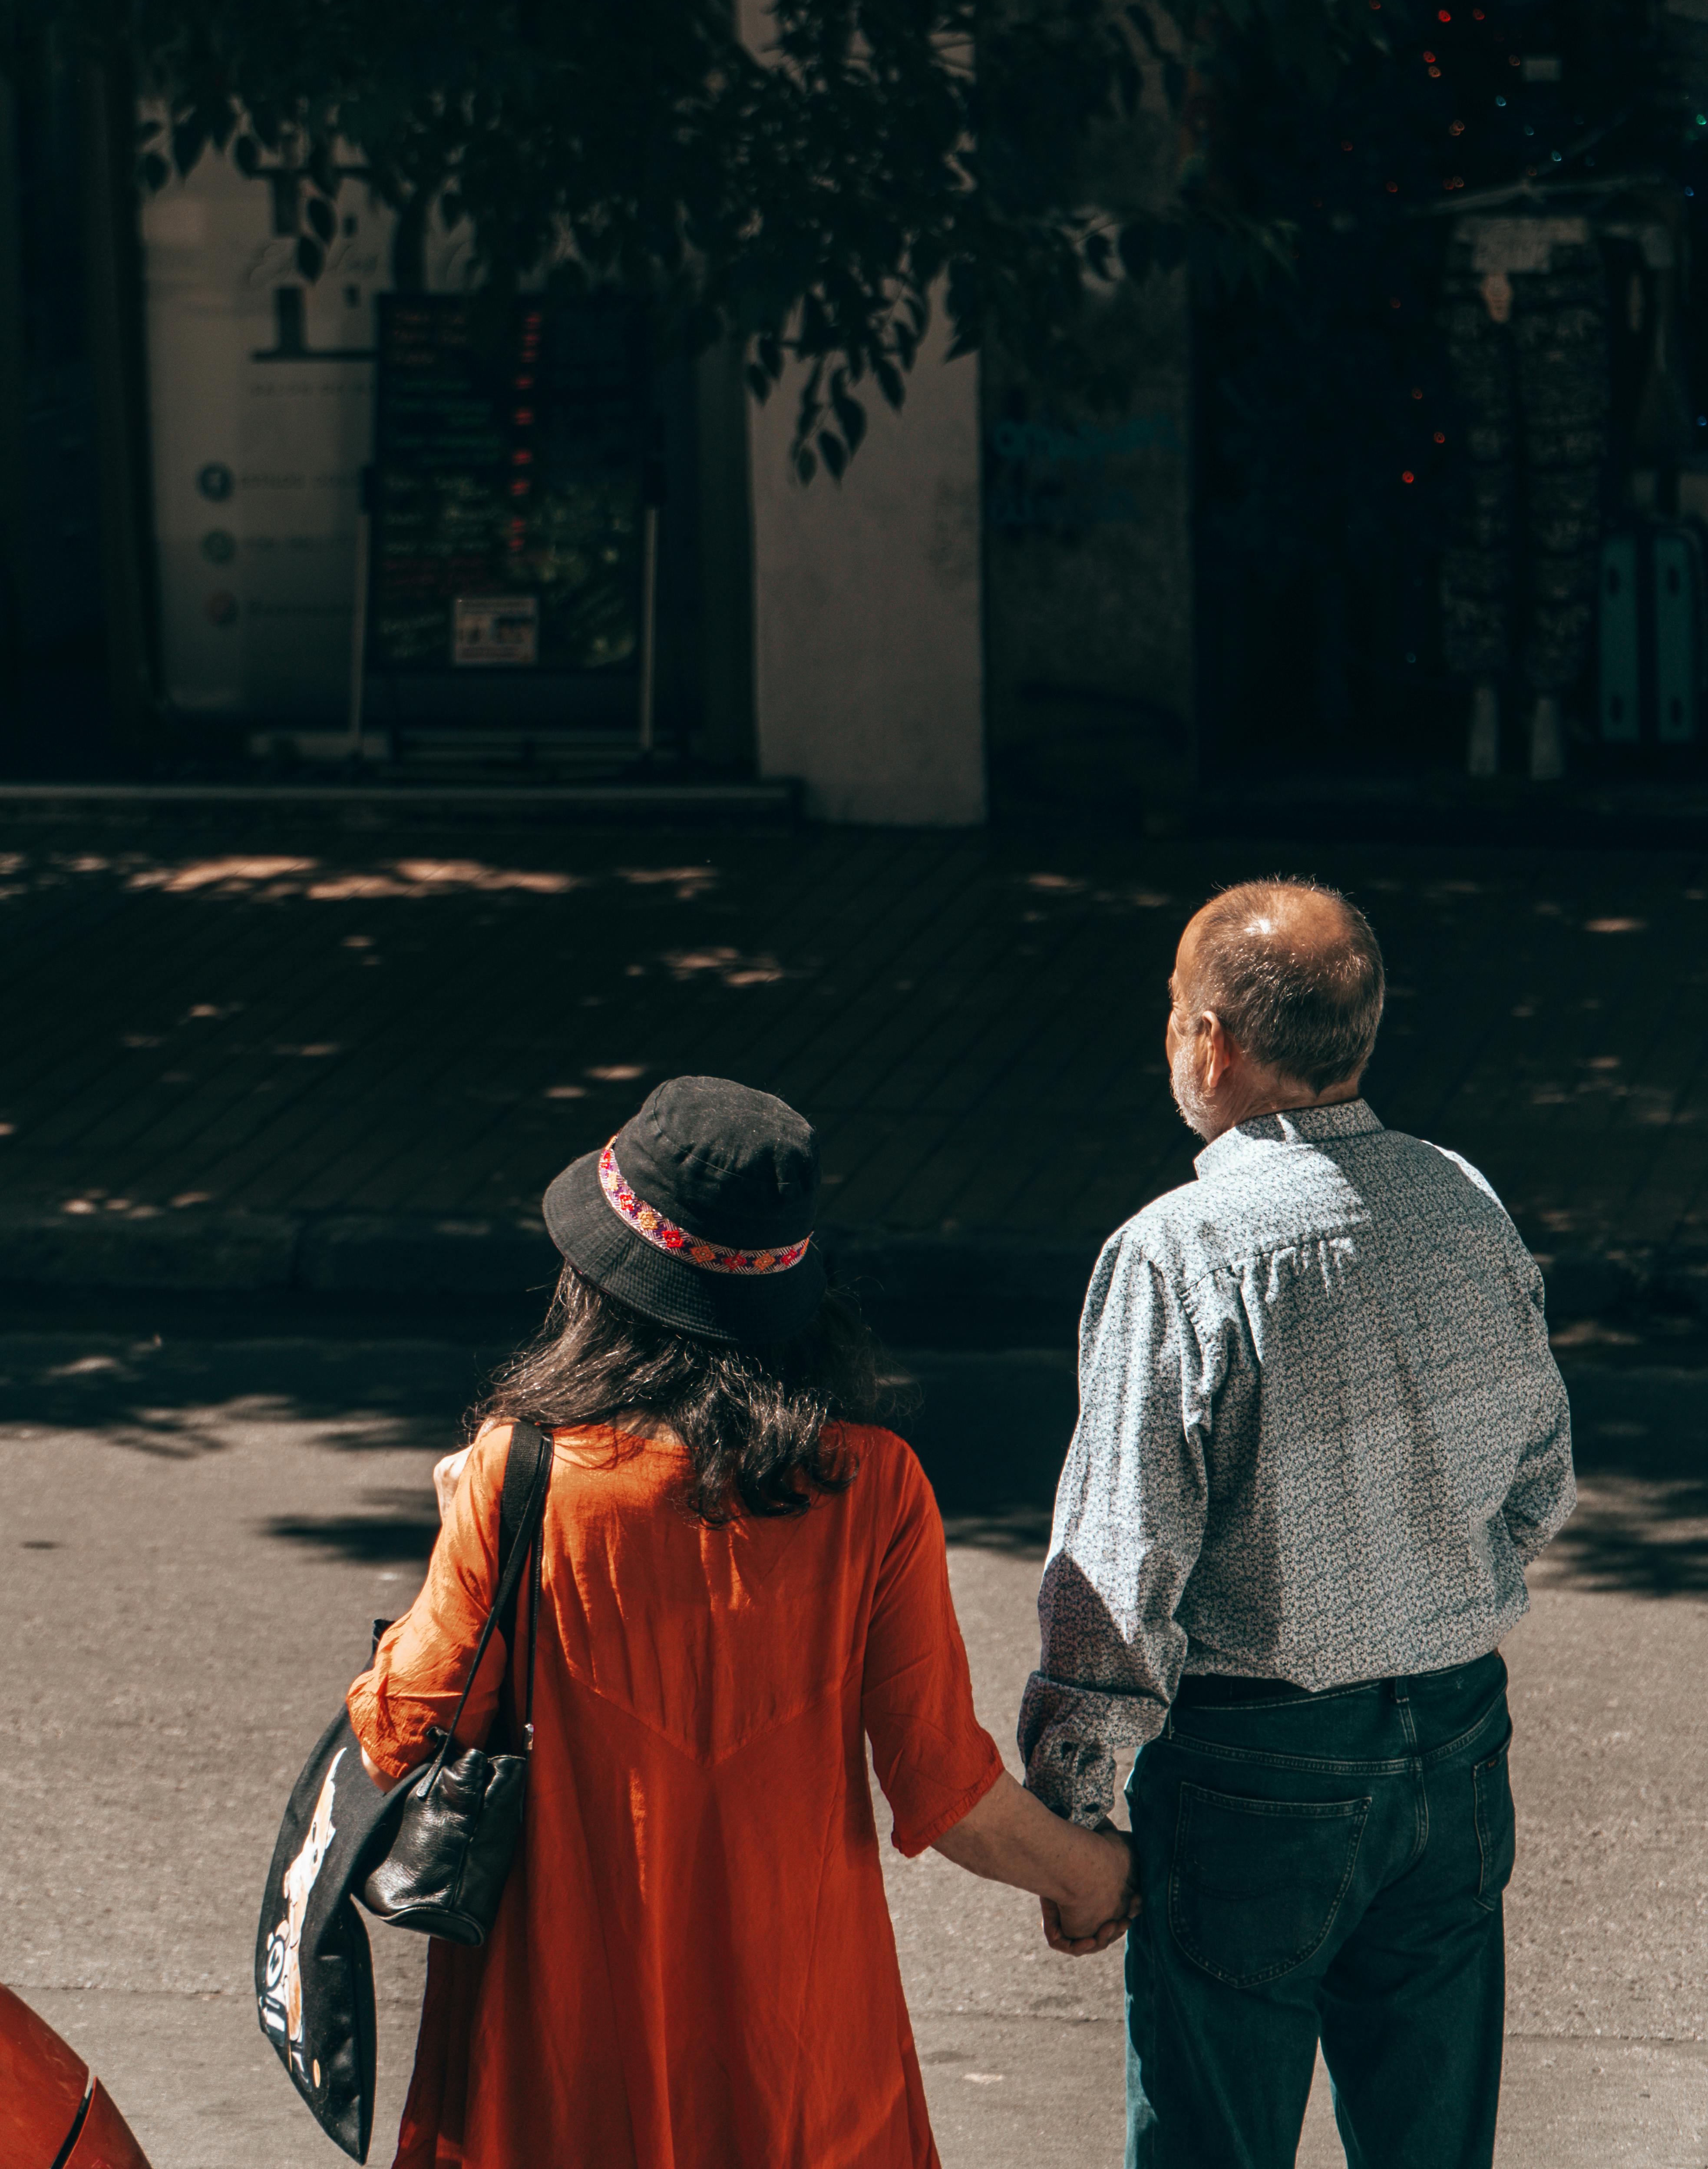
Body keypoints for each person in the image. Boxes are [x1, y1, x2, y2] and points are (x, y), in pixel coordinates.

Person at [350, 1075, 1134, 2169]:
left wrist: (459, 1517)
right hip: (799, 2048)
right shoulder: (874, 1485)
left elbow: (400, 1732)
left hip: (556, 2042)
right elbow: (944, 1790)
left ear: (600, 1284)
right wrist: (1098, 1880)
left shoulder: (519, 1473)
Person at [1018, 878, 1576, 2169]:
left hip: (1251, 1764)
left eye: (1173, 1014)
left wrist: (1072, 1809)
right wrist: (1428, 1578)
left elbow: (1115, 1572)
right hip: (1453, 1740)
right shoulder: (1462, 1201)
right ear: (1361, 1040)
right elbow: (1537, 1477)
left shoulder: (1176, 1250)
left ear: (1208, 1042)